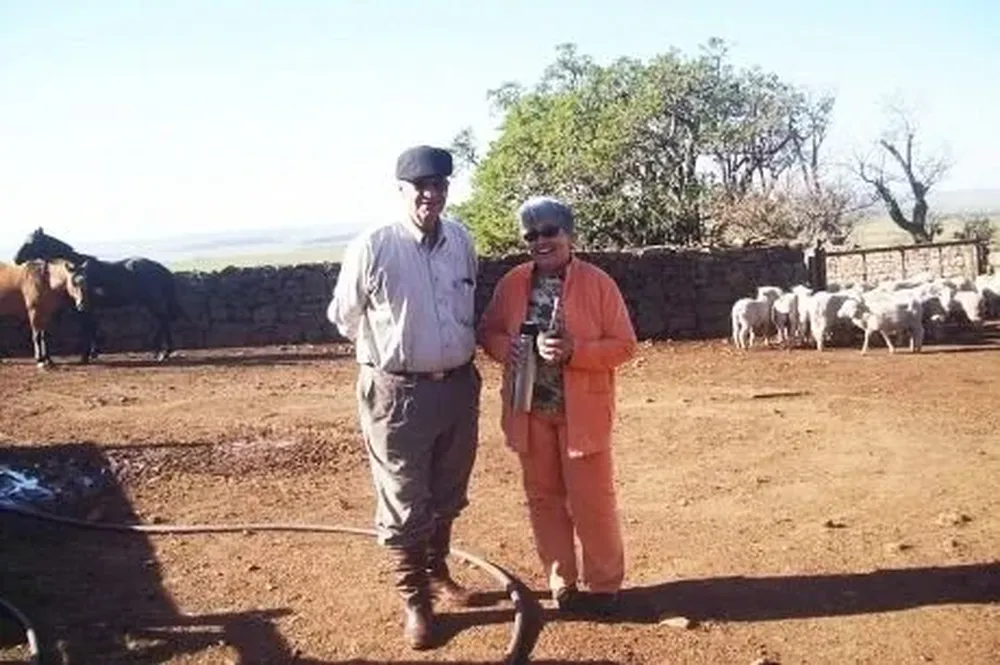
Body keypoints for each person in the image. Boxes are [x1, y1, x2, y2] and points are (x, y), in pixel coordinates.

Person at [327, 145, 482, 650]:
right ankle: (416, 600)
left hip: (458, 386)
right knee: (402, 498)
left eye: (439, 185)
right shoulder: (373, 246)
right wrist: (391, 354)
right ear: (401, 190)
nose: (430, 195)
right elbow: (344, 318)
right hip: (397, 393)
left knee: (447, 489)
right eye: (420, 186)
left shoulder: (461, 239)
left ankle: (438, 572)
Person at [476, 195, 637, 617]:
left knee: (592, 501)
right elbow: (489, 331)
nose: (540, 241)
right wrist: (506, 347)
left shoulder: (599, 283)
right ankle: (561, 583)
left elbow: (624, 345)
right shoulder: (512, 283)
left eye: (549, 231)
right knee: (544, 500)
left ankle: (604, 585)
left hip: (582, 413)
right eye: (531, 235)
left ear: (568, 234)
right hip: (529, 412)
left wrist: (575, 351)